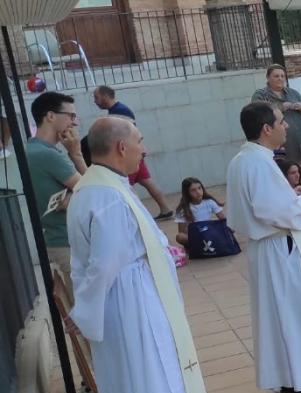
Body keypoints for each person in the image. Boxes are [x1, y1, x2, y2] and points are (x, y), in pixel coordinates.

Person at [65, 116, 209, 393]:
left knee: (138, 388)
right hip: (129, 305)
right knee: (149, 384)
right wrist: (83, 314)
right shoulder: (106, 194)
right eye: (140, 141)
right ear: (121, 148)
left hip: (127, 298)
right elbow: (106, 263)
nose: (145, 149)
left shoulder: (102, 185)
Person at [227, 103, 301, 393]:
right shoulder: (260, 163)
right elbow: (273, 210)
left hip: (268, 248)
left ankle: (290, 378)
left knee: (279, 315)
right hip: (281, 248)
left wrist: (295, 197)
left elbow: (261, 206)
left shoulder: (244, 160)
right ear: (267, 129)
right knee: (298, 314)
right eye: (281, 121)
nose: (287, 126)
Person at [26, 91, 87, 278]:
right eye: (71, 115)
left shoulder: (34, 148)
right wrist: (76, 154)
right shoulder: (48, 154)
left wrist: (72, 197)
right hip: (66, 242)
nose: (74, 123)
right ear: (51, 116)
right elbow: (93, 189)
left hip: (63, 240)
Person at [92, 85, 174, 218]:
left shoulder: (118, 113)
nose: (95, 101)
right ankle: (165, 209)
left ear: (105, 96)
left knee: (126, 187)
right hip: (132, 153)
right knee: (146, 181)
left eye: (96, 97)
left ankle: (139, 216)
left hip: (127, 155)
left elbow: (121, 136)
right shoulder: (119, 110)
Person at [252, 64, 301, 170]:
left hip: (300, 145)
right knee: (283, 180)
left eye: (282, 76)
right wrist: (281, 107)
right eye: (276, 76)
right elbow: (259, 115)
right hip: (278, 147)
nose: (280, 79)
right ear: (268, 77)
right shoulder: (260, 95)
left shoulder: (293, 93)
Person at [173, 178, 224, 248]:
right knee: (180, 237)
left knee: (228, 228)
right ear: (187, 193)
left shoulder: (209, 202)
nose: (198, 192)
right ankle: (202, 244)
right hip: (195, 235)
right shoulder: (183, 208)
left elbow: (223, 219)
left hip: (209, 231)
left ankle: (205, 244)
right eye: (193, 190)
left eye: (199, 188)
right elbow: (181, 232)